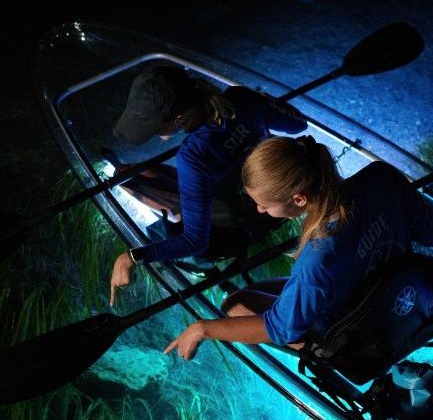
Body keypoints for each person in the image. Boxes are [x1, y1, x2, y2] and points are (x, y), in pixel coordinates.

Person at [163, 134, 433, 360]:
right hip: (403, 292)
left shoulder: (318, 254)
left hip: (364, 328)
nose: (260, 210)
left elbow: (281, 330)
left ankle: (335, 361)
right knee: (262, 293)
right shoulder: (381, 176)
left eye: (264, 205)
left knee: (234, 305)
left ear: (299, 199)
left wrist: (204, 328)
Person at [109, 63, 308, 306]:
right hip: (274, 202)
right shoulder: (241, 98)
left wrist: (133, 256)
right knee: (140, 175)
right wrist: (261, 103)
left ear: (180, 118)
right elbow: (299, 124)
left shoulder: (193, 155)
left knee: (139, 184)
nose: (157, 135)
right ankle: (129, 175)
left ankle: (144, 190)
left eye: (155, 128)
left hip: (238, 229)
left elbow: (195, 241)